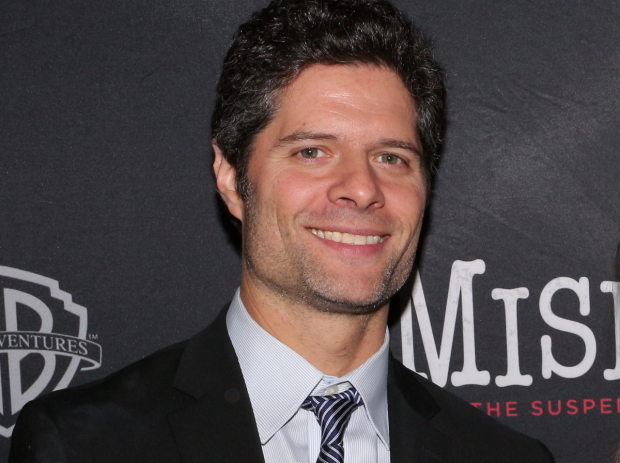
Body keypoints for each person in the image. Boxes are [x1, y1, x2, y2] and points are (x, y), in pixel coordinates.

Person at [10, 0, 556, 462]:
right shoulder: (83, 445)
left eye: (391, 157)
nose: (361, 188)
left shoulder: (505, 456)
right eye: (312, 152)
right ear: (231, 177)